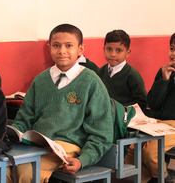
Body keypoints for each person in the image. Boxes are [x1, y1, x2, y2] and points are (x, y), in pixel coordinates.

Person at [9, 24, 113, 183]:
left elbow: (102, 132)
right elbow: (24, 119)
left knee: (26, 171)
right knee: (1, 168)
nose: (62, 51)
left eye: (69, 46)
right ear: (50, 48)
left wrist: (83, 159)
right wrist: (15, 134)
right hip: (38, 146)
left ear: (80, 49)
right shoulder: (40, 80)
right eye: (56, 46)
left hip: (68, 148)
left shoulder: (91, 82)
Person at [125, 33, 175, 183]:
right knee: (132, 149)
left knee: (151, 153)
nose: (174, 53)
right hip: (159, 122)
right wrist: (164, 81)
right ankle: (150, 179)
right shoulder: (165, 72)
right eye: (172, 48)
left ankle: (164, 178)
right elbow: (152, 102)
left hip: (172, 125)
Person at [97, 29, 147, 112]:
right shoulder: (100, 72)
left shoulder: (132, 75)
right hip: (104, 114)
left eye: (119, 50)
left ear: (127, 53)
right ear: (103, 49)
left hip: (125, 117)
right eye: (109, 49)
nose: (113, 54)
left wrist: (123, 111)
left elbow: (142, 102)